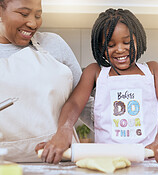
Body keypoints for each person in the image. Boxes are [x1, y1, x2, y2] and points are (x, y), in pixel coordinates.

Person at [36, 8, 158, 164]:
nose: (120, 49)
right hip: (106, 160)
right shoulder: (95, 72)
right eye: (110, 45)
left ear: (138, 39)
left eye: (127, 42)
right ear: (100, 47)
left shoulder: (152, 70)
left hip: (147, 158)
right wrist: (64, 130)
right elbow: (74, 104)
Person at [0, 0, 92, 162]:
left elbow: (84, 104)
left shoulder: (53, 44)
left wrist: (127, 137)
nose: (33, 23)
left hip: (61, 162)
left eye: (38, 15)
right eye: (24, 14)